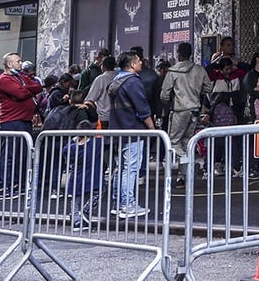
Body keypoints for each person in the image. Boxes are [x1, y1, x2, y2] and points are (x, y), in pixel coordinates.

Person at [108, 51, 155, 218]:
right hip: (133, 129)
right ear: (132, 64)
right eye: (139, 60)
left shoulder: (116, 80)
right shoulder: (133, 82)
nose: (141, 62)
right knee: (131, 169)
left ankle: (117, 203)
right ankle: (128, 204)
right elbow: (142, 109)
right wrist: (152, 128)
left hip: (118, 129)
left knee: (120, 168)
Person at [0, 53, 42, 198]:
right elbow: (20, 94)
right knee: (9, 155)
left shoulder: (20, 77)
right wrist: (26, 89)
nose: (21, 63)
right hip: (11, 121)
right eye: (18, 61)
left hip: (25, 120)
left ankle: (16, 184)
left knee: (22, 155)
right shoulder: (4, 79)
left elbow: (38, 87)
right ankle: (4, 186)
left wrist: (26, 88)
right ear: (9, 64)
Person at [160, 43, 212, 188]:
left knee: (173, 142)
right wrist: (196, 92)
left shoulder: (173, 71)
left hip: (179, 111)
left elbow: (164, 94)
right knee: (187, 142)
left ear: (179, 54)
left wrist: (170, 102)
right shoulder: (199, 70)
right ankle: (182, 177)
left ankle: (184, 162)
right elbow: (209, 87)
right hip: (195, 110)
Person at [62, 120, 103, 231]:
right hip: (92, 177)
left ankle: (76, 221)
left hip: (76, 177)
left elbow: (64, 150)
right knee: (97, 194)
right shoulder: (96, 144)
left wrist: (74, 139)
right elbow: (107, 140)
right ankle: (86, 210)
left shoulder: (72, 148)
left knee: (75, 200)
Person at [85, 56, 118, 130]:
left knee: (102, 140)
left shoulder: (100, 79)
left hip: (103, 118)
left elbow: (90, 100)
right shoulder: (119, 77)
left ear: (104, 67)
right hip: (118, 117)